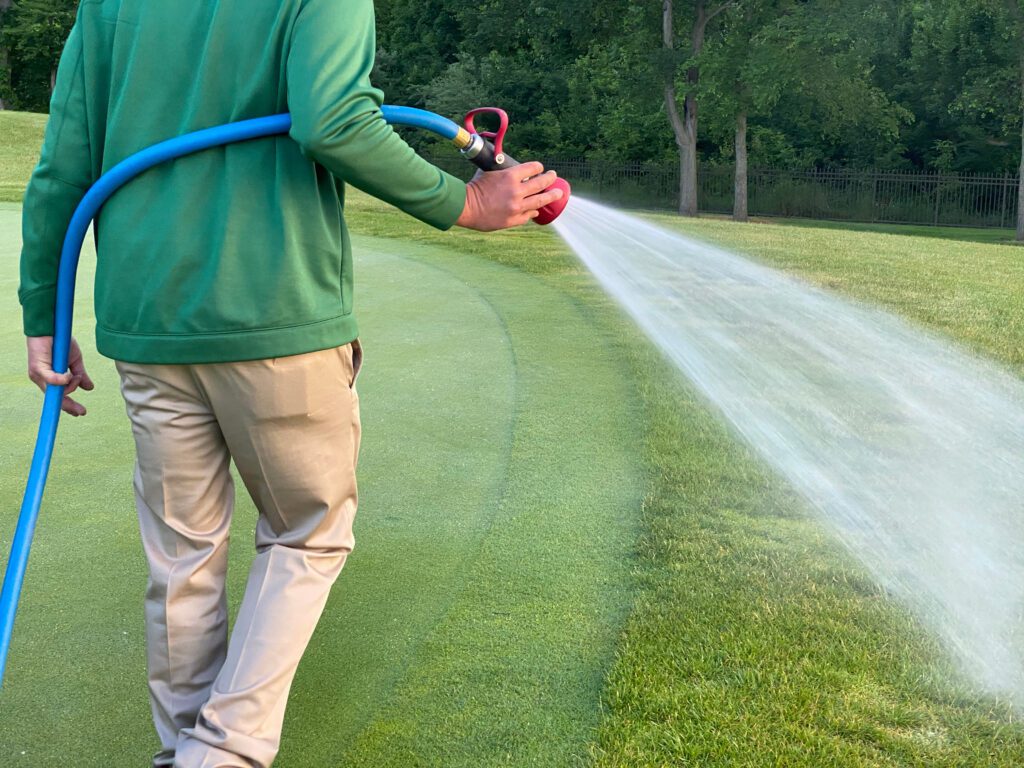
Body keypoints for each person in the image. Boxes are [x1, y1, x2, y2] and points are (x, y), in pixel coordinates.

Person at [18, 1, 563, 766]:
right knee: (308, 532)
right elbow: (333, 121)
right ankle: (223, 755)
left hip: (147, 322)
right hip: (276, 314)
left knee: (182, 560)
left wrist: (43, 309)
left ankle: (183, 753)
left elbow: (64, 163)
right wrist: (464, 201)